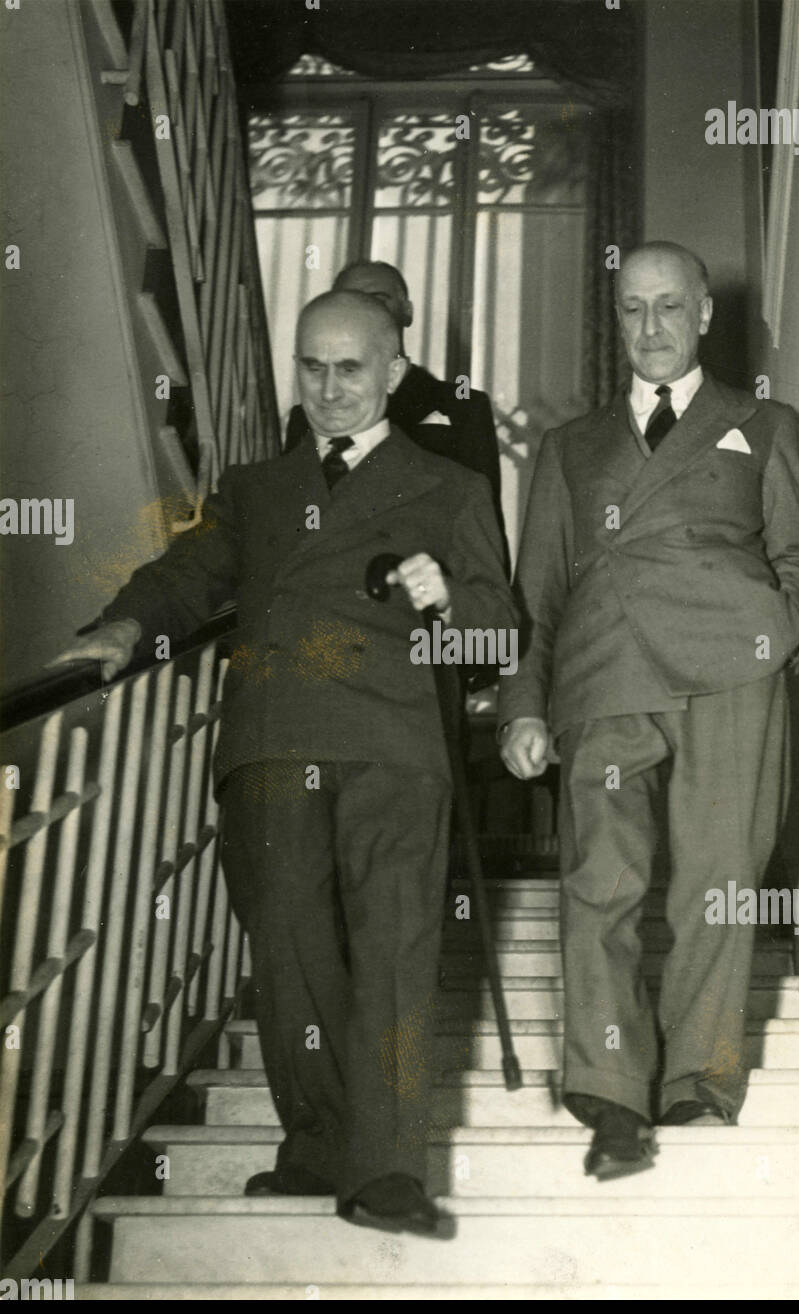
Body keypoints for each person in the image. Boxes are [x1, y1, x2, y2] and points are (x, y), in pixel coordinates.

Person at [54, 290, 516, 1236]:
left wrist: (448, 600)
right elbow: (189, 574)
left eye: (352, 368)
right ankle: (314, 1149)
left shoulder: (452, 486)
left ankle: (387, 1173)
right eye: (312, 367)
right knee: (293, 956)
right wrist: (127, 626)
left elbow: (497, 628)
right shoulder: (256, 488)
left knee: (394, 953)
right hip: (273, 741)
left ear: (394, 372)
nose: (331, 388)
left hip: (395, 746)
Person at [497, 242, 799, 1180]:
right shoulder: (569, 446)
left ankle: (698, 1082)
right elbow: (537, 592)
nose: (651, 329)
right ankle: (610, 1091)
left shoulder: (764, 423)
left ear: (705, 314)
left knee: (718, 877)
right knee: (601, 879)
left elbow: (795, 555)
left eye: (669, 307)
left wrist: (782, 630)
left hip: (732, 667)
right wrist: (525, 703)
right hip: (605, 674)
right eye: (632, 309)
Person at [285, 260, 507, 567]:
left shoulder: (463, 408)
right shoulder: (308, 416)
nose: (360, 312)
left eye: (378, 299)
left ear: (408, 312)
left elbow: (484, 533)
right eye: (347, 300)